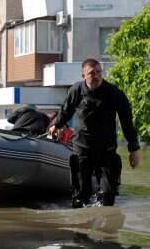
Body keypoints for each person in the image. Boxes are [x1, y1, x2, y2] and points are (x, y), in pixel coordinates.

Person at [49, 58, 140, 208]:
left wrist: (134, 149)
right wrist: (56, 125)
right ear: (83, 75)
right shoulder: (76, 91)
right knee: (80, 198)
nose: (96, 75)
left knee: (107, 197)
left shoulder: (114, 93)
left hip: (106, 150)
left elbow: (127, 121)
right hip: (82, 149)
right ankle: (80, 228)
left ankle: (106, 228)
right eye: (92, 73)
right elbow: (66, 111)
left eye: (99, 72)